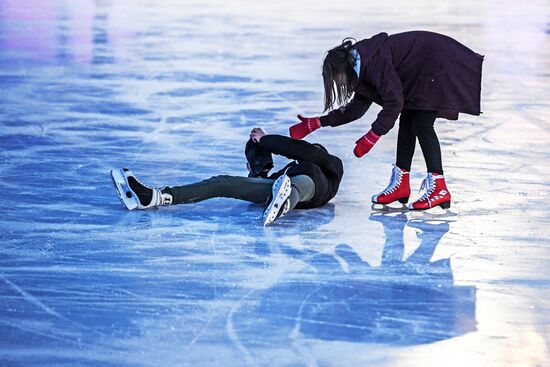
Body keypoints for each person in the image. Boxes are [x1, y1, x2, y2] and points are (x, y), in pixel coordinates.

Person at [289, 31, 484, 210]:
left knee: (421, 124)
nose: (338, 83)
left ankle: (439, 187)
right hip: (421, 72)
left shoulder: (374, 62)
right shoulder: (360, 66)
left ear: (343, 67)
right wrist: (316, 122)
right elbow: (356, 109)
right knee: (408, 122)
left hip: (437, 63)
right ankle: (401, 184)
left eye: (337, 77)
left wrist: (372, 136)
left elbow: (394, 102)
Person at [110, 128, 343, 226]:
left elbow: (304, 151)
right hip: (277, 188)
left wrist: (265, 140)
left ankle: (284, 202)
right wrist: (258, 168)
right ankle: (153, 197)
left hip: (312, 188)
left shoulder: (328, 165)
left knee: (296, 185)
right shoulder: (282, 175)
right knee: (222, 182)